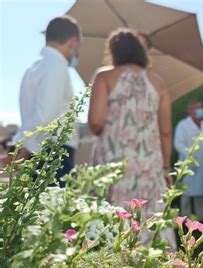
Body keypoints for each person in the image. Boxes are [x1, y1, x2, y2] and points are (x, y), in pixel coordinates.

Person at [88, 28, 175, 247]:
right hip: (150, 166)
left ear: (114, 52)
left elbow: (96, 122)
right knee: (149, 216)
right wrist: (165, 168)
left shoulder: (104, 76)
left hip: (113, 164)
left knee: (112, 216)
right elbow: (165, 131)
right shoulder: (158, 83)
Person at [5, 16, 82, 186]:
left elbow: (31, 117)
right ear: (73, 42)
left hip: (37, 149)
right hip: (53, 152)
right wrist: (25, 148)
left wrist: (21, 144)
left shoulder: (33, 69)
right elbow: (44, 116)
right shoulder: (56, 67)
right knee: (53, 209)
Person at [174, 101, 203, 221]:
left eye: (201, 107)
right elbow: (178, 144)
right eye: (197, 108)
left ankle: (201, 218)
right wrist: (190, 157)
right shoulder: (182, 125)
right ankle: (185, 219)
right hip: (187, 165)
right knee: (185, 193)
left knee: (201, 193)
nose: (200, 110)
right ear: (190, 110)